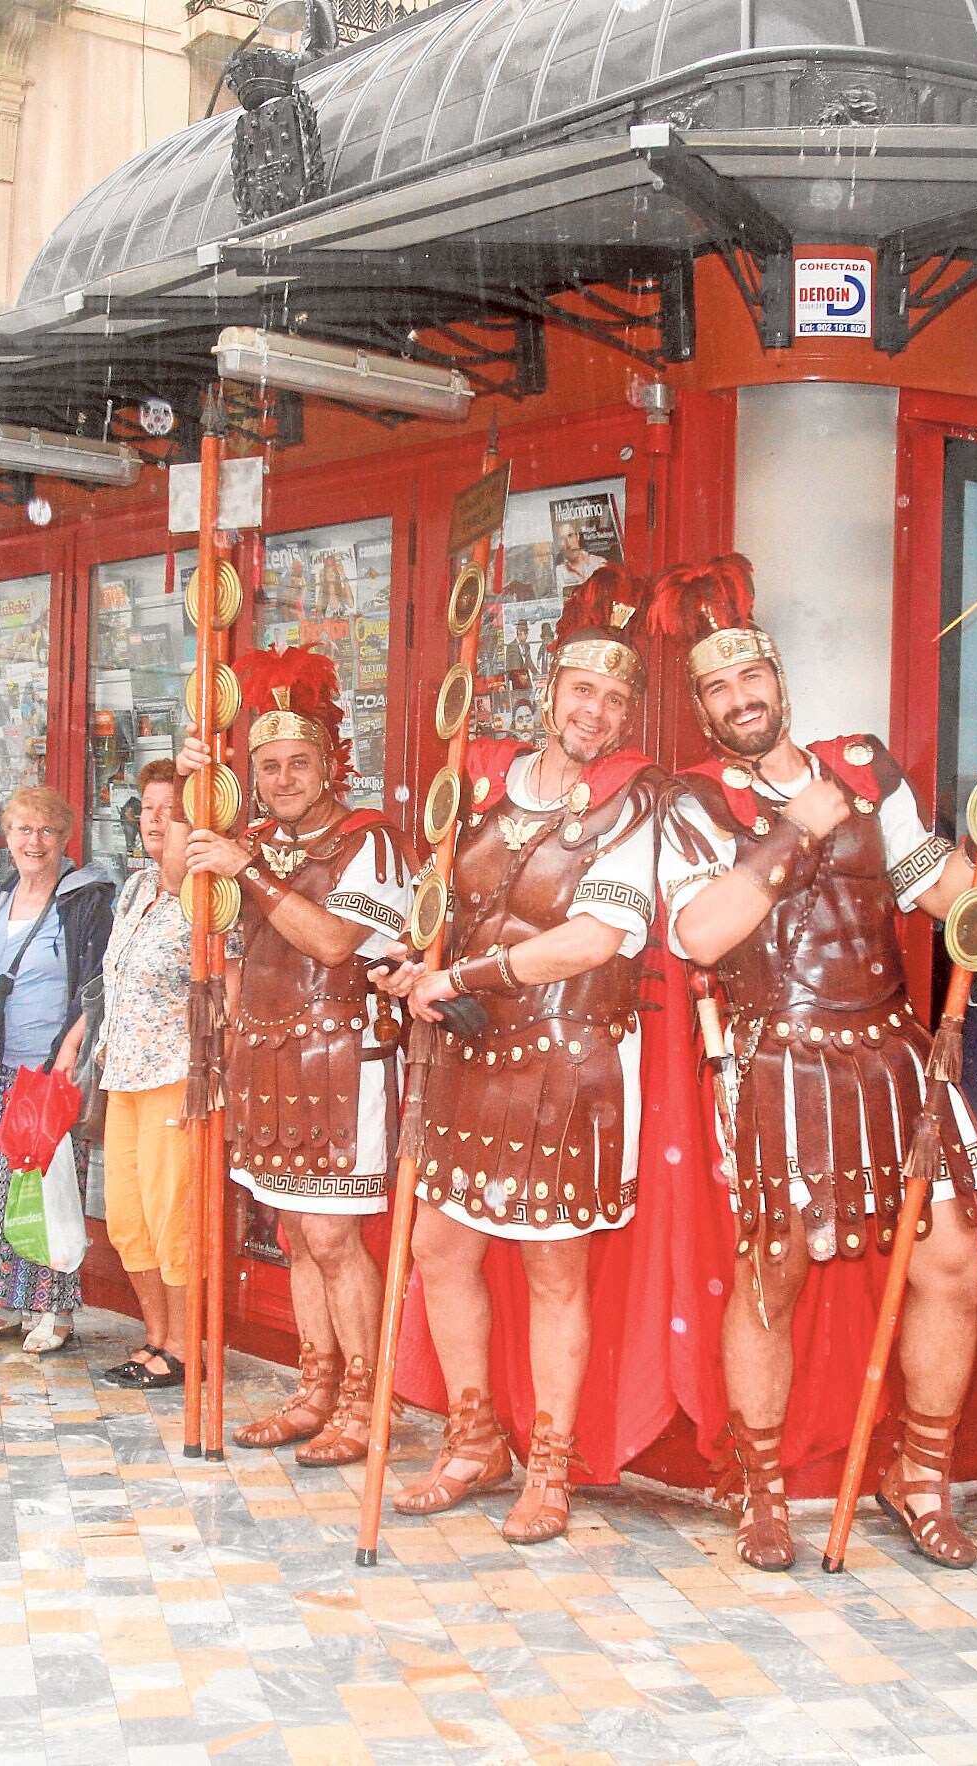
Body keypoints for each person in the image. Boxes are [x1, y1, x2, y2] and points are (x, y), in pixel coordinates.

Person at [651, 555, 977, 1572]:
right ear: (702, 706)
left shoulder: (865, 768)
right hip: (777, 1056)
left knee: (952, 1264)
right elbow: (701, 932)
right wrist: (792, 829)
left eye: (753, 680)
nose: (741, 700)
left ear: (781, 681)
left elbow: (954, 902)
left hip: (891, 1053)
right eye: (718, 689)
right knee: (772, 1274)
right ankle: (763, 1486)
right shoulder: (688, 803)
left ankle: (916, 1476)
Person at [373, 571, 665, 1541]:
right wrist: (415, 960)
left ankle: (549, 1465)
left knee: (552, 1266)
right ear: (550, 695)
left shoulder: (635, 806)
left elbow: (594, 939)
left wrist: (457, 977)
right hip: (471, 1054)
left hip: (567, 1060)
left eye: (616, 698)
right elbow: (441, 907)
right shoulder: (481, 789)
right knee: (438, 1245)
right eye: (583, 690)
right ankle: (471, 1438)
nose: (597, 710)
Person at [173, 646, 413, 1458]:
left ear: (330, 764)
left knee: (333, 1237)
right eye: (267, 765)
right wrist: (190, 791)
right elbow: (199, 909)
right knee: (300, 1237)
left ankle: (365, 1400)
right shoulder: (257, 841)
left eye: (297, 762)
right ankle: (316, 1387)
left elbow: (336, 940)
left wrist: (251, 869)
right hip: (271, 1064)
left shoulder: (371, 841)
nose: (282, 779)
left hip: (346, 1061)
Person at [0, 786, 114, 1354]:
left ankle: (57, 1309)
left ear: (64, 837)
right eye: (22, 830)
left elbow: (96, 986)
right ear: (7, 837)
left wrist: (70, 1052)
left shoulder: (86, 899)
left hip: (47, 1071)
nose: (33, 841)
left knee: (48, 1192)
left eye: (46, 830)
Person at [97, 761, 199, 1390]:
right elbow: (113, 980)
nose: (157, 820)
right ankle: (154, 1338)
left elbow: (230, 998)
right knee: (127, 1218)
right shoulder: (135, 889)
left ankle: (186, 1347)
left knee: (174, 1219)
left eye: (174, 810)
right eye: (151, 807)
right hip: (124, 1076)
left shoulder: (210, 902)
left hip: (176, 1076)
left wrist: (213, 1081)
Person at [553, 522, 603, 591]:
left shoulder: (599, 562)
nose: (568, 543)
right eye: (562, 538)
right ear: (559, 543)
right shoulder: (559, 571)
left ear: (578, 536)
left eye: (570, 535)